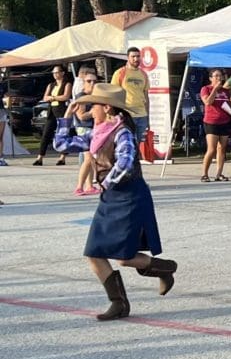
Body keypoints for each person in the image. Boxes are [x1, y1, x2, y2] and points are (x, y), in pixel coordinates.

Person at [54, 83, 177, 320]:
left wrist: (105, 183)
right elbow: (61, 145)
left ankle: (165, 268)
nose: (89, 110)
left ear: (107, 108)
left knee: (124, 257)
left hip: (130, 197)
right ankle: (119, 304)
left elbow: (126, 161)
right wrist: (66, 118)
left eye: (93, 106)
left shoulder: (122, 132)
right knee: (94, 252)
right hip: (110, 197)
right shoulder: (97, 133)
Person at [67, 69, 100, 196]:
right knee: (89, 158)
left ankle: (89, 185)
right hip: (84, 129)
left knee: (90, 159)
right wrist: (93, 112)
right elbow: (81, 116)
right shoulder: (82, 97)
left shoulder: (94, 96)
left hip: (92, 128)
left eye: (95, 81)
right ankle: (79, 186)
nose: (92, 83)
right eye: (89, 81)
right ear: (83, 83)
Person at [34, 65, 73, 166]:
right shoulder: (51, 85)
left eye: (56, 72)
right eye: (53, 73)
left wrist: (54, 97)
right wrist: (52, 98)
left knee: (63, 134)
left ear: (62, 73)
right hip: (52, 111)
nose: (55, 75)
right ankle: (40, 157)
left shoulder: (67, 84)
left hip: (62, 110)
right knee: (46, 133)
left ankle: (62, 157)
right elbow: (45, 97)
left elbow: (66, 96)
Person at [199, 69, 231, 182]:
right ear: (211, 78)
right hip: (211, 121)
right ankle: (205, 174)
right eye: (216, 76)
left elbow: (230, 102)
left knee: (222, 148)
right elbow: (208, 102)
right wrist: (215, 89)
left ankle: (219, 173)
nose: (219, 78)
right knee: (211, 149)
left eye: (221, 76)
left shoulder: (226, 91)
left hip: (224, 121)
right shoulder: (206, 89)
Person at [111, 47, 151, 145]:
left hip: (142, 115)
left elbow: (146, 96)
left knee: (139, 144)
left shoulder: (143, 74)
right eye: (133, 56)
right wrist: (115, 113)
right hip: (127, 114)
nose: (136, 59)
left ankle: (136, 160)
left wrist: (148, 115)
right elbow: (113, 94)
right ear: (128, 58)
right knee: (128, 142)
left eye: (138, 56)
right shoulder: (120, 73)